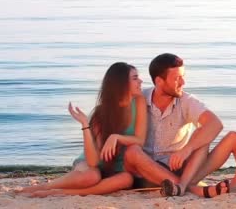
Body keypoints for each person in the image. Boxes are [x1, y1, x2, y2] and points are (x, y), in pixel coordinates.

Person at [18, 62, 147, 197]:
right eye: (135, 78)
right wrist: (85, 124)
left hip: (117, 166)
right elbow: (93, 162)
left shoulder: (139, 102)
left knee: (127, 179)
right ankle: (46, 186)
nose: (140, 81)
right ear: (121, 83)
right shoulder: (101, 113)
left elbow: (140, 140)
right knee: (91, 177)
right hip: (91, 164)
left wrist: (116, 137)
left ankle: (61, 192)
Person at [122, 53, 223, 197]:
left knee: (202, 136)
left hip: (175, 167)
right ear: (159, 81)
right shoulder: (139, 99)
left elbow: (215, 124)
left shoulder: (186, 100)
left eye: (183, 76)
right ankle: (189, 188)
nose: (183, 83)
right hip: (145, 172)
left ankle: (179, 186)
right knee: (132, 151)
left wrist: (187, 149)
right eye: (177, 78)